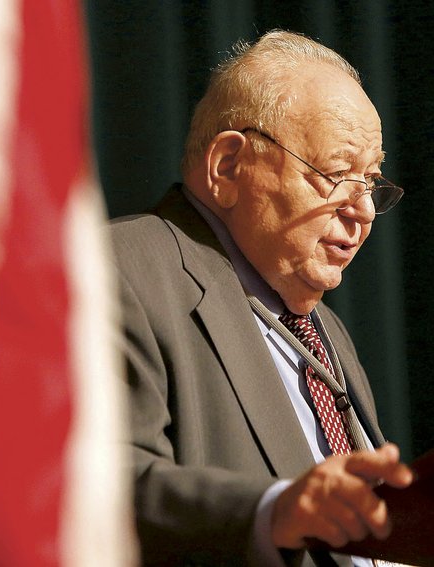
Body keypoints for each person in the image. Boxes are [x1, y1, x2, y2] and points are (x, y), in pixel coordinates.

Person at [110, 30, 415, 566]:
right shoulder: (120, 269)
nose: (363, 210)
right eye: (337, 175)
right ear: (228, 166)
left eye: (370, 182)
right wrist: (270, 512)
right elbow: (94, 488)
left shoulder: (323, 330)